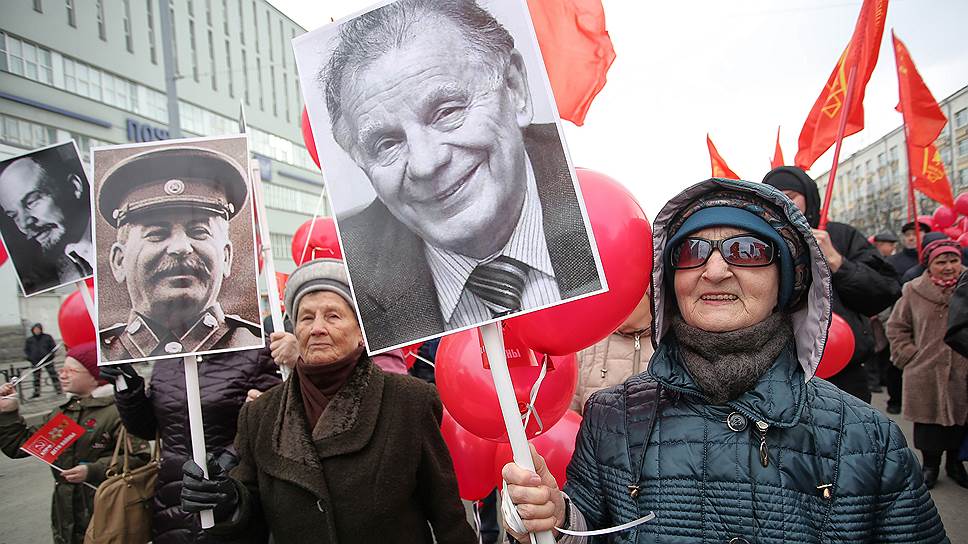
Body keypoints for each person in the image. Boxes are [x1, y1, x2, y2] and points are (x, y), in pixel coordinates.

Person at [501, 178, 946, 543]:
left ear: (785, 280)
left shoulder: (866, 436)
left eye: (746, 251)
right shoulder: (611, 415)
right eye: (691, 253)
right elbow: (591, 532)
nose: (714, 271)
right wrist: (557, 520)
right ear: (669, 280)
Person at [320, 0, 601, 351]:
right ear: (361, 163)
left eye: (446, 111)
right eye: (387, 143)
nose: (426, 163)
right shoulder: (353, 279)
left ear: (514, 89)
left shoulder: (600, 211)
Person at [179, 258, 477, 543]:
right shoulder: (259, 414)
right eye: (306, 317)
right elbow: (252, 516)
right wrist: (228, 501)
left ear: (361, 333)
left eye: (333, 315)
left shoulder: (410, 400)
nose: (317, 327)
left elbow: (447, 515)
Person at [99, 338, 291, 544]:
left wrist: (227, 463)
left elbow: (273, 420)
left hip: (231, 495)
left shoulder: (256, 352)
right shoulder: (168, 357)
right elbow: (149, 428)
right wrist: (127, 387)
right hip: (173, 496)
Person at [96, 146, 262, 361]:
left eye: (199, 232)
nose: (181, 247)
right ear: (119, 261)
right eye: (157, 234)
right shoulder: (106, 355)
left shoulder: (256, 348)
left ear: (226, 257)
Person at [763, 165, 900, 403]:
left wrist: (838, 263)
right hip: (778, 372)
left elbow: (885, 291)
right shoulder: (760, 240)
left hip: (844, 372)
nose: (784, 202)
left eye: (791, 195)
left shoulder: (840, 236)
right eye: (775, 195)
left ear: (809, 197)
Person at [0, 342, 150, 544]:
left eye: (71, 370)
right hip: (66, 515)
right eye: (62, 369)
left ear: (95, 377)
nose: (62, 375)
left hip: (108, 509)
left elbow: (140, 458)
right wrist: (9, 413)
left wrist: (93, 470)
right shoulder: (64, 413)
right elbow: (20, 447)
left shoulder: (118, 411)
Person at [886, 239, 968, 489]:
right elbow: (896, 326)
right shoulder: (913, 290)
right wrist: (910, 355)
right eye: (940, 262)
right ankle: (930, 465)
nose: (948, 267)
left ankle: (955, 464)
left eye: (953, 260)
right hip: (925, 370)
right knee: (928, 425)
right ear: (928, 265)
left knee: (961, 421)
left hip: (962, 369)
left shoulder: (966, 287)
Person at [0, 150, 94, 289]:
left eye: (31, 202)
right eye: (13, 215)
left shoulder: (120, 234)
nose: (25, 224)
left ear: (74, 186)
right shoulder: (56, 271)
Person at [571, 292, 654, 414]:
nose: (617, 304)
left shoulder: (671, 344)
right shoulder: (588, 343)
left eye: (626, 295)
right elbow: (570, 416)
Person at [24, 322, 61, 397]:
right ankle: (36, 393)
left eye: (38, 329)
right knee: (36, 377)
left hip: (47, 360)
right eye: (35, 329)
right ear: (32, 330)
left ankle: (58, 390)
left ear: (41, 329)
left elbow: (53, 347)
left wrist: (51, 356)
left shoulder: (47, 337)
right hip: (36, 361)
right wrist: (30, 358)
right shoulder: (29, 340)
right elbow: (26, 350)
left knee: (53, 375)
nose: (37, 331)